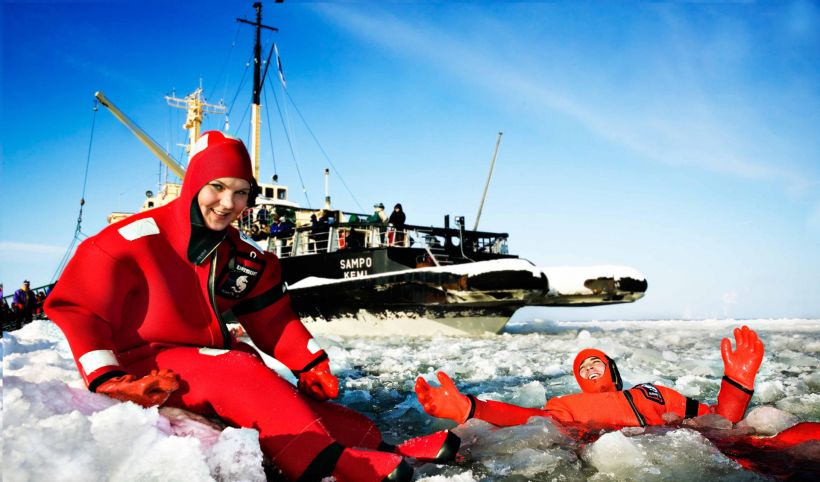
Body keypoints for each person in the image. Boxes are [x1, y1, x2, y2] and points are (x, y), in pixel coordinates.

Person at [45, 131, 458, 482]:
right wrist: (108, 378)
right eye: (218, 188)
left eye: (241, 193)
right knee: (238, 369)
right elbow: (78, 307)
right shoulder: (131, 242)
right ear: (194, 186)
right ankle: (322, 463)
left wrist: (309, 363)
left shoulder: (242, 255)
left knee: (284, 394)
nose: (228, 203)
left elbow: (273, 317)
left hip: (203, 358)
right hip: (145, 364)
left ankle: (384, 446)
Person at [416, 326, 765, 430]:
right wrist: (473, 407)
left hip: (697, 444)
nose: (587, 370)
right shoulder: (568, 404)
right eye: (581, 369)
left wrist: (738, 382)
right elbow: (530, 419)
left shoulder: (655, 392)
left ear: (612, 369)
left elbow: (723, 421)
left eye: (594, 363)